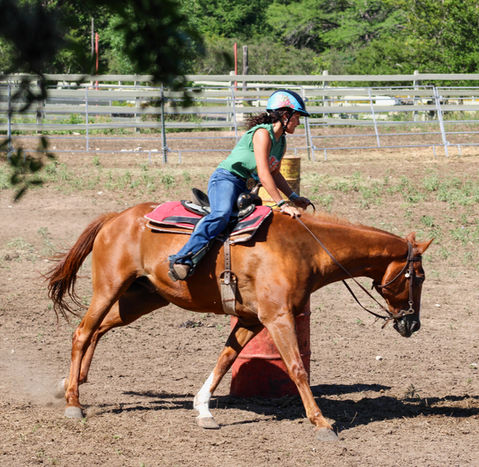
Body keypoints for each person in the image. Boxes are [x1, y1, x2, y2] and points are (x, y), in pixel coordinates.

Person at [168, 89, 313, 281]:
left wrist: (293, 197)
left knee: (261, 222)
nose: (298, 122)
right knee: (221, 214)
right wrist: (282, 204)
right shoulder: (262, 134)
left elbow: (274, 173)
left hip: (246, 186)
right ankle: (183, 258)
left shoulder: (282, 141)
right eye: (297, 117)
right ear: (285, 116)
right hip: (226, 179)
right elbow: (263, 172)